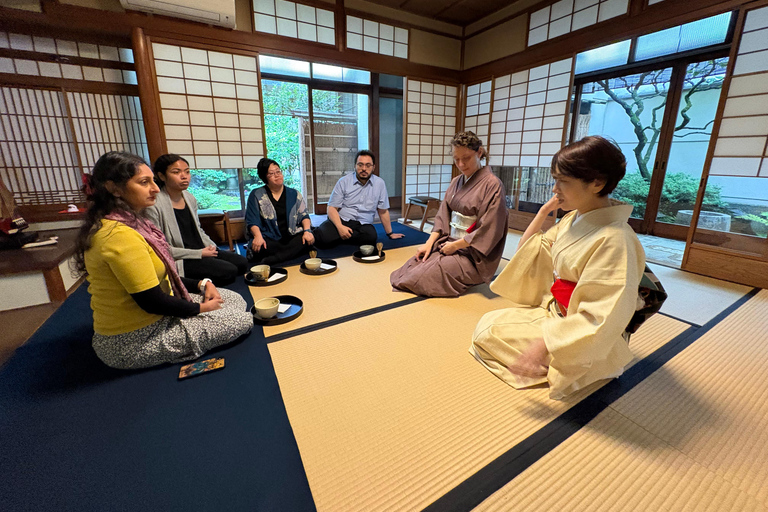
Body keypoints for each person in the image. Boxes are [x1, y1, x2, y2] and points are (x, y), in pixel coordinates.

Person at [470, 136, 646, 400]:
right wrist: (542, 214)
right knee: (489, 326)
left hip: (579, 334)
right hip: (556, 314)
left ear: (597, 183)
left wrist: (544, 345)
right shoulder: (574, 218)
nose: (555, 189)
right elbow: (532, 251)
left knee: (492, 337)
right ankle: (544, 357)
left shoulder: (616, 240)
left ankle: (576, 366)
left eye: (563, 181)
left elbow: (600, 318)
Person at [73, 151, 252, 370]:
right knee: (244, 320)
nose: (155, 188)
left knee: (235, 300)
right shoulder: (118, 235)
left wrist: (202, 284)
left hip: (162, 307)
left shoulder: (135, 222)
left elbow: (164, 273)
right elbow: (152, 301)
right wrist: (200, 309)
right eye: (144, 182)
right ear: (113, 188)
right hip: (134, 338)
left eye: (152, 181)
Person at [390, 132, 508, 297]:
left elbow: (490, 229)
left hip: (473, 254)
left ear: (479, 152)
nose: (461, 164)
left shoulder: (493, 185)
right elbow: (442, 216)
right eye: (456, 159)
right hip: (448, 243)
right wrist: (429, 244)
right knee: (413, 265)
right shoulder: (456, 181)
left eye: (466, 158)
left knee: (422, 277)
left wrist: (456, 246)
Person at [146, 154, 248, 286]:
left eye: (187, 172)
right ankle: (190, 284)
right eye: (176, 172)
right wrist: (199, 253)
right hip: (181, 257)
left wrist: (212, 247)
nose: (184, 176)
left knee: (242, 263)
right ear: (161, 176)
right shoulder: (155, 205)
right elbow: (160, 248)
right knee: (229, 271)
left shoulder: (189, 198)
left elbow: (198, 229)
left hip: (201, 249)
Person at [313, 150, 404, 249]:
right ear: (355, 166)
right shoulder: (344, 181)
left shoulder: (380, 183)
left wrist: (390, 233)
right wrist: (340, 227)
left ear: (373, 167)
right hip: (342, 219)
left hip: (363, 224)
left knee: (371, 237)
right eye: (360, 165)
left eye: (368, 165)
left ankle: (340, 237)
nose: (364, 169)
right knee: (322, 239)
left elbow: (383, 211)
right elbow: (331, 208)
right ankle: (340, 234)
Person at [244, 158, 314, 265]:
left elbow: (304, 215)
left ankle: (275, 259)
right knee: (260, 246)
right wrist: (258, 236)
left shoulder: (294, 193)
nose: (277, 175)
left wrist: (307, 231)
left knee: (310, 237)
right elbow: (252, 221)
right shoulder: (256, 195)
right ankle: (289, 255)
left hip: (291, 235)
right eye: (271, 173)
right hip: (269, 238)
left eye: (278, 171)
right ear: (264, 177)